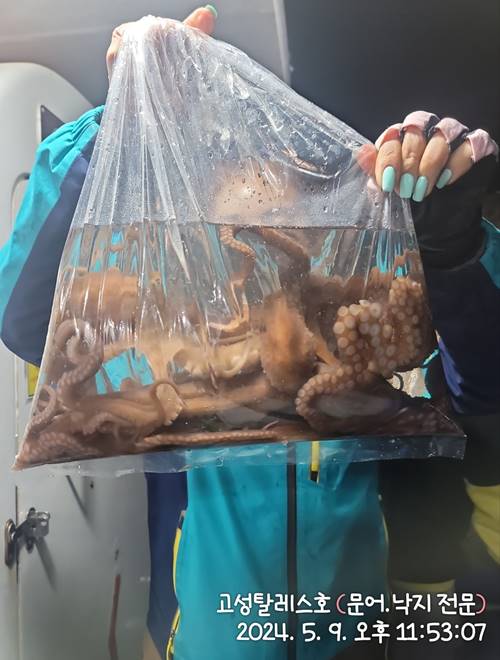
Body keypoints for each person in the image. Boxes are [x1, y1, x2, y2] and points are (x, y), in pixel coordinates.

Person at [0, 6, 498, 660]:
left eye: (285, 232)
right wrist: (120, 130)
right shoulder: (183, 358)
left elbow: (483, 385)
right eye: (238, 242)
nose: (260, 264)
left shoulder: (369, 358)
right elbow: (30, 322)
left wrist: (456, 254)